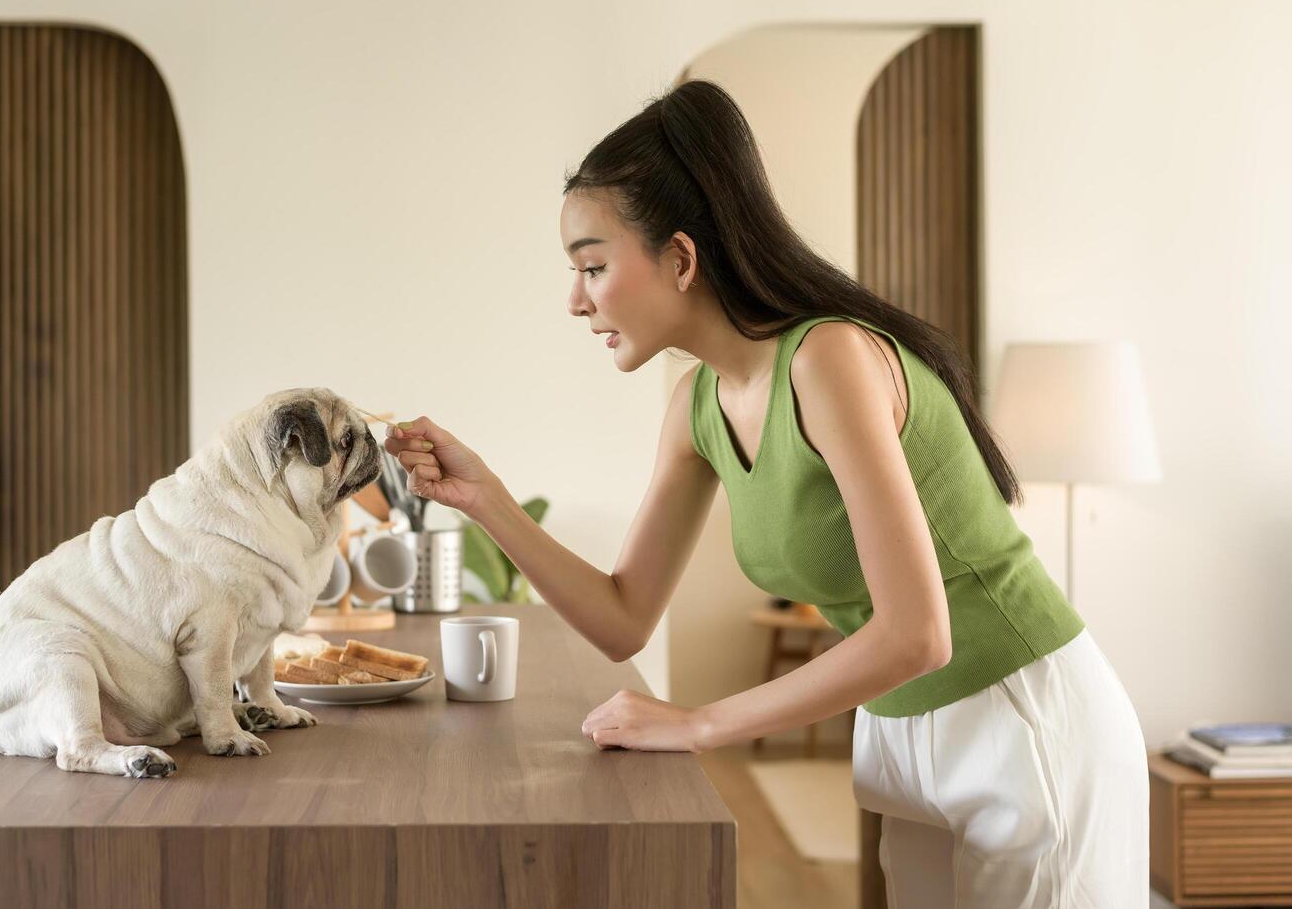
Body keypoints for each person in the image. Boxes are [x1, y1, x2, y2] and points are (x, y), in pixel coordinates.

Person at [383, 79, 1148, 907]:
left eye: (593, 267)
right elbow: (621, 616)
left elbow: (916, 634)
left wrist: (699, 721)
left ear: (679, 259)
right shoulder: (696, 404)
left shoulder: (829, 359)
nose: (575, 301)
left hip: (1022, 718)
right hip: (901, 734)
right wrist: (484, 498)